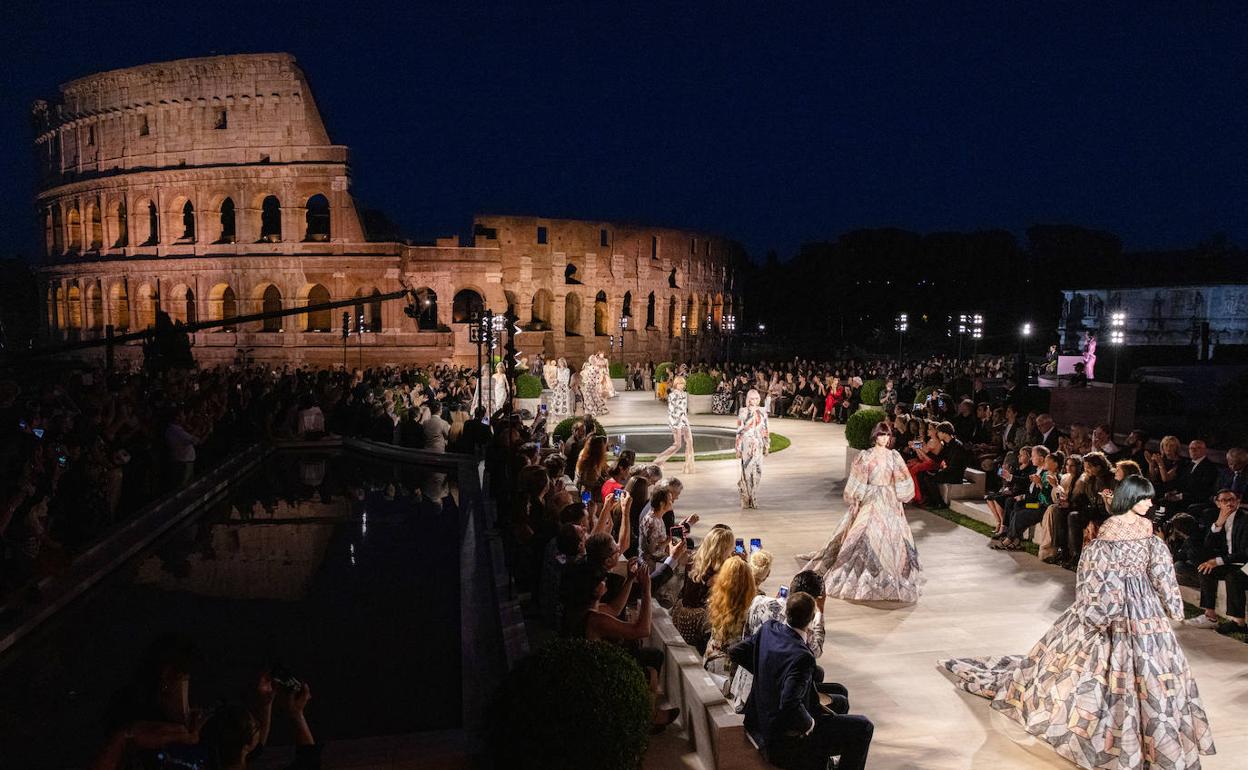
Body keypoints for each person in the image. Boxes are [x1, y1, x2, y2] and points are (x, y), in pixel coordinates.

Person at [940, 475, 1215, 770]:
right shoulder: (1117, 536)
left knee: (1143, 670)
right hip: (1132, 606)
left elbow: (1151, 572)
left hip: (1135, 607)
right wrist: (1146, 608)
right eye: (1145, 498)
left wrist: (1162, 605)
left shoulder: (1137, 534)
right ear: (1131, 499)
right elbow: (1113, 576)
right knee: (1119, 669)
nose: (1150, 503)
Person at [729, 592, 875, 770]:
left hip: (758, 720)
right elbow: (789, 703)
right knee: (864, 727)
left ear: (786, 612)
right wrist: (809, 724)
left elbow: (736, 651)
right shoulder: (802, 657)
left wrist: (768, 673)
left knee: (840, 697)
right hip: (783, 741)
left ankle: (824, 763)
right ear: (812, 618)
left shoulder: (769, 628)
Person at [800, 422, 923, 602]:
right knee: (862, 534)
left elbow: (902, 478)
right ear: (875, 436)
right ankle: (863, 574)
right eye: (882, 435)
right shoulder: (865, 456)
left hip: (888, 499)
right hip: (871, 498)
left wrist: (899, 499)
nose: (885, 438)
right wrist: (856, 499)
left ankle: (888, 575)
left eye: (887, 435)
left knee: (891, 538)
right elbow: (859, 480)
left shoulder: (894, 456)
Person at [1183, 488, 1248, 634]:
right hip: (1232, 561)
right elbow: (1208, 545)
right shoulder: (1215, 517)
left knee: (1234, 577)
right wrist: (1218, 523)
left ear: (1238, 501)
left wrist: (1218, 561)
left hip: (1244, 562)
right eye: (1224, 500)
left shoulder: (1245, 520)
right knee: (1206, 569)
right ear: (1218, 503)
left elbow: (1244, 553)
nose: (1229, 504)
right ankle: (1210, 616)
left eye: (1231, 500)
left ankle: (1239, 623)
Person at [735, 389, 770, 509]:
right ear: (748, 399)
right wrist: (738, 449)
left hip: (758, 445)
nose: (754, 401)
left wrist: (766, 445)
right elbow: (739, 431)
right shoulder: (743, 411)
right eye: (751, 398)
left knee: (759, 471)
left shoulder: (762, 412)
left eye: (756, 398)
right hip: (747, 445)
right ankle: (748, 497)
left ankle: (754, 495)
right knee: (747, 472)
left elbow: (765, 429)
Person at [654, 375, 695, 474]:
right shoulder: (672, 395)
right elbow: (671, 411)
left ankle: (688, 465)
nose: (681, 385)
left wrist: (684, 419)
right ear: (676, 384)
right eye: (679, 383)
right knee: (677, 445)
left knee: (690, 442)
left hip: (684, 420)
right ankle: (658, 460)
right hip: (676, 422)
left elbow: (684, 409)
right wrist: (675, 423)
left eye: (683, 384)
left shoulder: (684, 394)